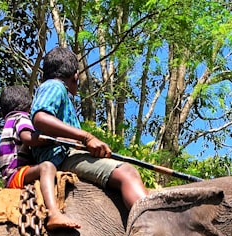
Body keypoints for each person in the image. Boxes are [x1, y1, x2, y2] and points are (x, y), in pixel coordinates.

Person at [31, 47, 149, 214]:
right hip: (62, 156)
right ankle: (150, 224)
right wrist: (87, 137)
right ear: (75, 76)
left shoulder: (53, 89)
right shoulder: (55, 86)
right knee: (127, 173)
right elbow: (40, 118)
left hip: (64, 154)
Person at [0, 84, 81, 230]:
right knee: (47, 167)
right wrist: (55, 139)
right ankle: (53, 213)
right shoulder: (21, 118)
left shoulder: (9, 121)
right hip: (16, 174)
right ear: (29, 105)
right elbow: (28, 138)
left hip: (13, 173)